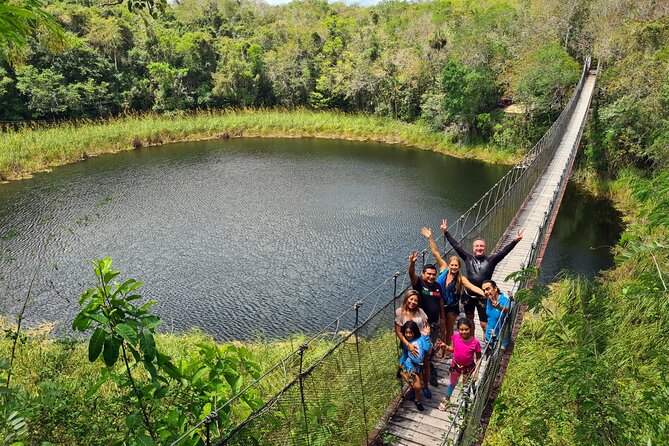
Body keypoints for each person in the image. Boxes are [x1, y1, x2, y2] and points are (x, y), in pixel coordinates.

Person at [440, 218, 523, 332]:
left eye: (481, 246)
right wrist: (446, 232)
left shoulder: (491, 260)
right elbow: (457, 246)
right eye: (477, 246)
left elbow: (503, 252)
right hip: (468, 296)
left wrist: (515, 241)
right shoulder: (467, 258)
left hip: (484, 297)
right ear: (473, 249)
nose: (479, 248)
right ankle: (473, 342)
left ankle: (487, 341)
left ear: (485, 248)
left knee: (484, 324)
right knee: (469, 320)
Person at [421, 227, 485, 346]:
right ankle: (441, 346)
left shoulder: (461, 279)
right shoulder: (443, 269)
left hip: (451, 307)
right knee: (442, 328)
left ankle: (448, 348)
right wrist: (430, 238)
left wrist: (486, 294)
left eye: (456, 265)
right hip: (439, 305)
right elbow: (435, 253)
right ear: (449, 265)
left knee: (449, 329)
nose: (454, 267)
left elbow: (472, 287)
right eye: (452, 265)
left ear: (459, 267)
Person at [408, 251, 446, 394]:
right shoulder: (419, 284)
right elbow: (411, 274)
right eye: (428, 274)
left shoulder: (437, 286)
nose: (431, 276)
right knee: (419, 352)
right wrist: (412, 263)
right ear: (423, 274)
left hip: (434, 326)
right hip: (420, 327)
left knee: (429, 351)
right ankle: (418, 381)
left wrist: (442, 319)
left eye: (433, 274)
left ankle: (429, 373)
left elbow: (440, 302)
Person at [437, 317, 481, 411]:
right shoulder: (455, 337)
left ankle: (466, 403)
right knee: (452, 383)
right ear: (458, 329)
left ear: (470, 329)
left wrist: (476, 371)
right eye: (461, 329)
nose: (464, 332)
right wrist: (445, 347)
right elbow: (453, 349)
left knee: (466, 385)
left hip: (468, 369)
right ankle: (447, 399)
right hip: (456, 366)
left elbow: (478, 358)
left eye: (466, 329)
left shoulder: (475, 343)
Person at [397, 321, 431, 411]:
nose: (408, 335)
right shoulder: (406, 343)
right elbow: (405, 353)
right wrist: (401, 362)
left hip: (419, 365)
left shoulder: (421, 338)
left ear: (415, 331)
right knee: (418, 386)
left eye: (410, 332)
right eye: (406, 333)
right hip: (410, 363)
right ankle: (417, 401)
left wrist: (427, 336)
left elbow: (427, 348)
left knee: (413, 383)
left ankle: (401, 374)